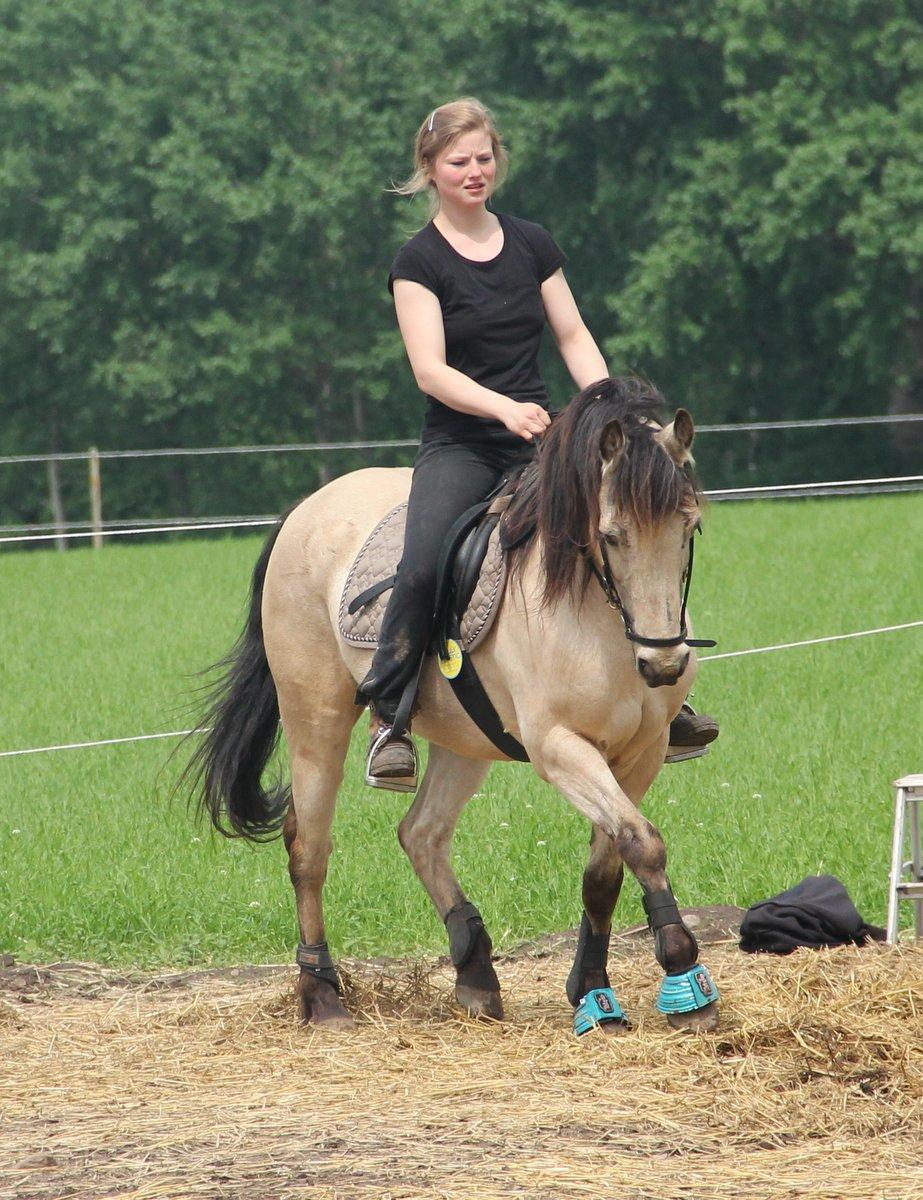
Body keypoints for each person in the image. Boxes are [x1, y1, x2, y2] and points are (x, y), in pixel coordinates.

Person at [357, 97, 717, 791]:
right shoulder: (417, 261)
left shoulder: (530, 242)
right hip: (464, 442)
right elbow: (430, 370)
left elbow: (573, 335)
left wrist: (606, 403)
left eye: (484, 158)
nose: (474, 172)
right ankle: (391, 713)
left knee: (624, 537)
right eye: (458, 162)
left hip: (547, 439)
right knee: (426, 563)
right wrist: (503, 409)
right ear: (429, 170)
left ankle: (662, 702)